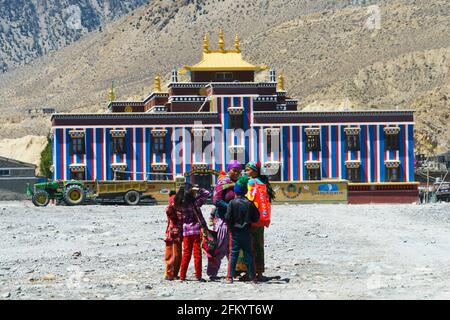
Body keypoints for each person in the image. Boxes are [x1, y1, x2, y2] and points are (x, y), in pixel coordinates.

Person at [235, 161, 275, 281]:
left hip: (250, 219)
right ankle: (259, 271)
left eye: (248, 169)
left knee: (248, 246)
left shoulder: (251, 182)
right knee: (259, 245)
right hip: (260, 219)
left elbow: (246, 197)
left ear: (255, 171)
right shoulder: (263, 183)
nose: (246, 171)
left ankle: (249, 272)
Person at [207, 160, 242, 281]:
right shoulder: (223, 182)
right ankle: (212, 272)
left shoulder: (239, 183)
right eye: (234, 170)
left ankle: (232, 271)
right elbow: (216, 200)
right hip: (222, 218)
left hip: (235, 219)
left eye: (239, 171)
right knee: (220, 245)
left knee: (232, 247)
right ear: (229, 170)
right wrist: (231, 207)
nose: (237, 173)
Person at [225, 178, 260, 283]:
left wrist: (231, 227)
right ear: (245, 191)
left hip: (235, 233)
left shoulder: (231, 203)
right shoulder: (249, 203)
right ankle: (252, 277)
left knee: (233, 254)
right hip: (246, 232)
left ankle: (230, 277)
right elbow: (256, 218)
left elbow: (228, 217)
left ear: (235, 191)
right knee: (249, 254)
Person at [177, 183, 209, 282]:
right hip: (196, 230)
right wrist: (198, 189)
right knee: (197, 253)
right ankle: (198, 276)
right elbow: (206, 193)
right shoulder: (195, 202)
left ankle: (182, 276)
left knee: (186, 253)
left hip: (186, 231)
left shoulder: (179, 203)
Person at [164, 190, 183, 281]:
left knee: (169, 254)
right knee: (177, 253)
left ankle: (169, 274)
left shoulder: (171, 204)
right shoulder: (181, 208)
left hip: (170, 232)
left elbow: (168, 211)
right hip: (178, 232)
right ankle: (175, 273)